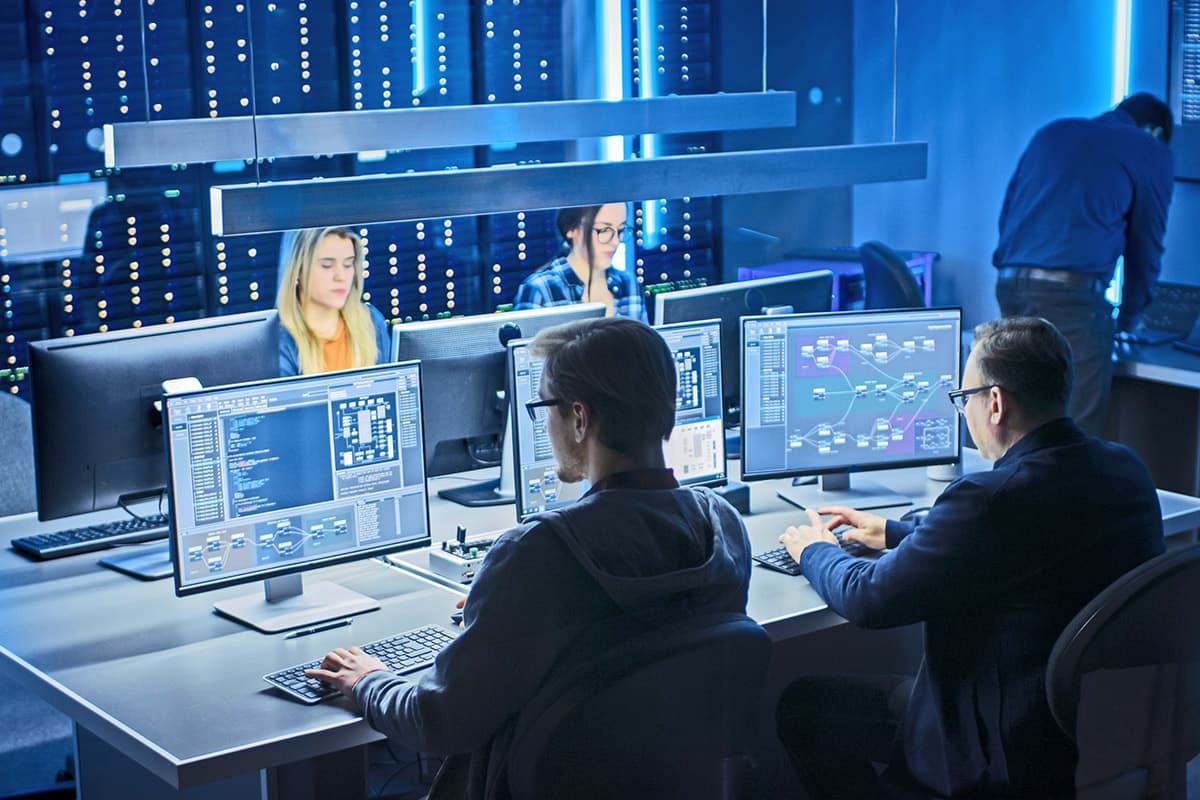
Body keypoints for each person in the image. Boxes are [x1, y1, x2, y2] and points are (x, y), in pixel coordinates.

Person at [307, 316, 751, 799]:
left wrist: (369, 682)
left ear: (579, 419)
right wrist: (503, 616)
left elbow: (440, 722)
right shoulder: (722, 526)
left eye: (545, 408)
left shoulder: (538, 553)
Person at [774, 316, 1165, 799]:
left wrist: (813, 550)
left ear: (995, 403)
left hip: (995, 754)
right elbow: (1024, 542)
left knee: (803, 705)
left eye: (963, 400)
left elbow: (869, 598)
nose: (964, 412)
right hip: (1095, 735)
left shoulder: (989, 500)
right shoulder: (1126, 469)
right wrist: (895, 531)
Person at [993, 93, 1175, 436]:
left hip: (1010, 289)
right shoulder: (1150, 149)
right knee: (1072, 436)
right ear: (1154, 131)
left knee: (1015, 424)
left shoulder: (1052, 132)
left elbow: (1007, 216)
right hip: (1072, 302)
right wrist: (1129, 320)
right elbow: (1145, 248)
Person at [276, 226, 391, 376]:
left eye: (348, 264)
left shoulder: (371, 322)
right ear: (297, 270)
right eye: (327, 265)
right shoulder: (279, 342)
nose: (341, 276)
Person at [512, 203, 648, 322]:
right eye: (604, 230)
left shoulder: (629, 284)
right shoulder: (540, 289)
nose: (615, 241)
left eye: (620, 230)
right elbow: (524, 351)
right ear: (571, 229)